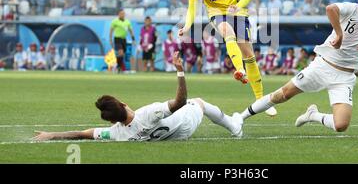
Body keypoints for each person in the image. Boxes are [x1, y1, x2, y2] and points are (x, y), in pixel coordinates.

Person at [235, 0, 358, 133]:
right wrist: (339, 34)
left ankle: (313, 115)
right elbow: (330, 9)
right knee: (282, 94)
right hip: (322, 67)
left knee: (341, 125)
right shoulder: (350, 8)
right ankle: (239, 118)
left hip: (345, 77)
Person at [33, 52, 243, 142]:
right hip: (184, 124)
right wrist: (180, 71)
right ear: (123, 103)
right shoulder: (148, 113)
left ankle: (234, 124)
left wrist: (51, 135)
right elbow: (179, 102)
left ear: (113, 121)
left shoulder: (116, 134)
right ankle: (235, 127)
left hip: (174, 138)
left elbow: (83, 134)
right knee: (199, 102)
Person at [178, 0, 277, 116]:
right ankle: (240, 69)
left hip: (237, 11)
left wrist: (237, 6)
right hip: (216, 13)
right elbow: (192, 8)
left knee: (249, 54)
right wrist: (187, 26)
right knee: (226, 30)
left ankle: (261, 100)